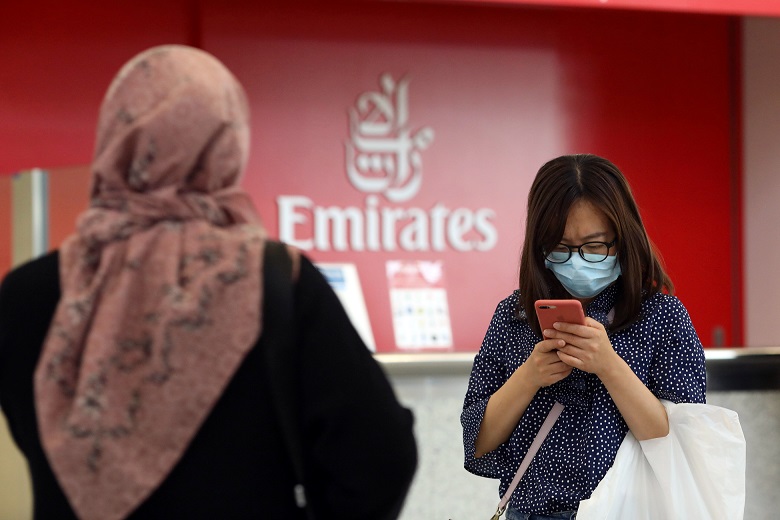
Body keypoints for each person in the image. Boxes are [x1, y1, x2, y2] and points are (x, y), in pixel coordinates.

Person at [0, 45, 417, 520]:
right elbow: (381, 457)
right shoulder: (276, 283)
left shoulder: (25, 295)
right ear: (226, 143)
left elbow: (28, 431)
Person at [461, 154, 706, 520]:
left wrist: (609, 366)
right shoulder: (514, 317)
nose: (577, 261)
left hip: (627, 511)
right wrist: (529, 376)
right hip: (531, 512)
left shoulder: (661, 316)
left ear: (622, 240)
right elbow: (476, 442)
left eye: (595, 246)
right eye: (560, 246)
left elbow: (679, 444)